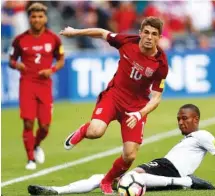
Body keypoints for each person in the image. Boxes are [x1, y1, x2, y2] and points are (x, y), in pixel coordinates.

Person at [27, 104, 215, 195]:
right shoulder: (187, 138)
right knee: (105, 179)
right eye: (179, 119)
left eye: (185, 118)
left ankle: (187, 182)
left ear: (196, 119)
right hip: (162, 166)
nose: (181, 122)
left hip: (170, 171)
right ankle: (55, 191)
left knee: (131, 178)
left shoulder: (202, 135)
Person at [59, 16, 169, 194]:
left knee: (130, 155)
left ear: (159, 38)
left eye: (154, 34)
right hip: (114, 96)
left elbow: (156, 97)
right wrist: (75, 32)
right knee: (96, 132)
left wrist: (140, 114)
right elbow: (102, 33)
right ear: (140, 33)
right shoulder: (126, 41)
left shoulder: (161, 64)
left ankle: (107, 180)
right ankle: (83, 130)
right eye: (146, 32)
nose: (149, 37)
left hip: (135, 108)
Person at [9, 3, 65, 170]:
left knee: (45, 126)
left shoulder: (53, 39)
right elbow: (11, 60)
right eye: (34, 16)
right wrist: (16, 65)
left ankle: (36, 144)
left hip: (45, 85)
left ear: (45, 18)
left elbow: (61, 59)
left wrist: (52, 69)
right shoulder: (20, 40)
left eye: (40, 16)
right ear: (29, 18)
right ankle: (30, 159)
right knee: (28, 123)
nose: (37, 19)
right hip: (27, 84)